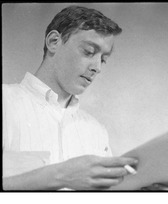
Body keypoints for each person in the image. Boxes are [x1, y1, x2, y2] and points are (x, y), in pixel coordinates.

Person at [2, 5, 142, 191]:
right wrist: (58, 177)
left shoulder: (96, 131)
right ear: (53, 41)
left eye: (103, 59)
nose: (97, 67)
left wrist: (141, 190)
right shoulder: (6, 102)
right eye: (89, 52)